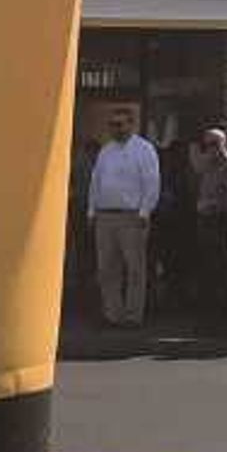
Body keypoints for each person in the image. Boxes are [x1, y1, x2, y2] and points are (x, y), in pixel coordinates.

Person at [84, 106, 161, 326]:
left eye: (119, 124)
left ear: (131, 124)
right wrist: (91, 211)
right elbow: (95, 181)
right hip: (105, 215)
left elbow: (152, 183)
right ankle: (112, 314)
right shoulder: (106, 150)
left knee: (134, 268)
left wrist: (145, 211)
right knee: (107, 268)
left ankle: (132, 316)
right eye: (112, 125)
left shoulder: (144, 150)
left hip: (132, 216)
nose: (114, 129)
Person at [190, 126, 227, 325]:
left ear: (223, 144)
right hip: (206, 223)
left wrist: (213, 205)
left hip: (223, 223)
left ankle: (225, 317)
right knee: (208, 270)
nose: (210, 148)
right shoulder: (208, 165)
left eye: (214, 144)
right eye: (207, 145)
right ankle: (209, 315)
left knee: (223, 270)